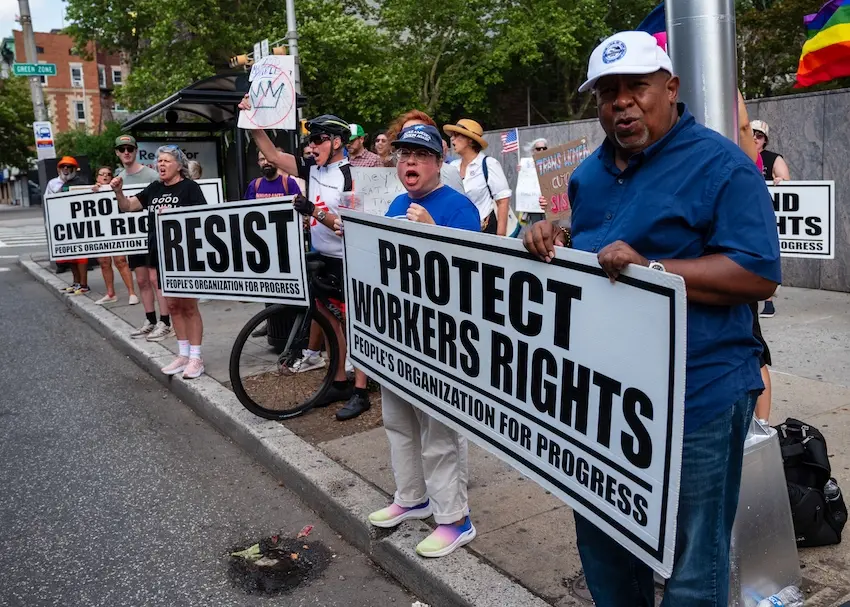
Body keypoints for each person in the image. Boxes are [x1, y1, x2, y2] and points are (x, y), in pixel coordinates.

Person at [523, 31, 780, 606]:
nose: (621, 103)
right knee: (605, 538)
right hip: (603, 398)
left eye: (636, 87)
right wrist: (551, 239)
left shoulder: (723, 166)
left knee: (695, 561)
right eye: (607, 92)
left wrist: (656, 269)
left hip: (701, 395)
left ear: (670, 88)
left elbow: (759, 273)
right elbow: (594, 248)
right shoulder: (588, 175)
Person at [356, 124, 480, 558]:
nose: (409, 162)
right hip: (398, 336)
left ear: (439, 162)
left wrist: (430, 232)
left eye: (420, 156)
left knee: (439, 432)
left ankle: (454, 518)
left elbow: (470, 279)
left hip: (438, 341)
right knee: (398, 422)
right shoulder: (395, 202)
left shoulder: (458, 208)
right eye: (403, 155)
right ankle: (412, 497)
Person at [237, 98, 370, 420]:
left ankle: (361, 391)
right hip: (320, 255)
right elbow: (271, 155)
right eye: (310, 140)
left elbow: (347, 227)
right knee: (328, 321)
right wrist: (251, 119)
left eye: (319, 139)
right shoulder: (312, 169)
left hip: (347, 259)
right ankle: (338, 381)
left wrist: (315, 212)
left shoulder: (352, 177)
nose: (312, 145)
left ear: (337, 142)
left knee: (355, 326)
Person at [111, 145, 207, 379]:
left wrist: (176, 214)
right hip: (158, 254)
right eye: (159, 161)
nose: (161, 165)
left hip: (183, 256)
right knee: (172, 305)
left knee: (188, 306)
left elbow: (203, 218)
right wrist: (119, 193)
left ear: (179, 166)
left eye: (166, 161)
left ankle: (196, 358)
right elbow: (128, 207)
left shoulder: (190, 188)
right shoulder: (154, 188)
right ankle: (182, 354)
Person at [111, 135, 171, 340]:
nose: (126, 152)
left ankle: (165, 321)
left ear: (136, 150)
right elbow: (122, 206)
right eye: (122, 149)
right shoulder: (118, 177)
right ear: (117, 153)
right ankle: (150, 319)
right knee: (142, 280)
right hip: (133, 237)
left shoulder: (153, 175)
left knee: (156, 280)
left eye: (129, 148)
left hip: (153, 236)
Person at [244, 148, 303, 338]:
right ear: (258, 163)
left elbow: (301, 208)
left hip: (287, 246)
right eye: (261, 159)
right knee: (269, 288)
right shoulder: (255, 185)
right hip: (264, 247)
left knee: (289, 289)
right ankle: (271, 324)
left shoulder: (289, 183)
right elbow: (245, 213)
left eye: (268, 158)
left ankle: (291, 327)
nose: (265, 162)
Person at [444, 119, 512, 235]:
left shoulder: (488, 164)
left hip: (484, 232)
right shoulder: (452, 167)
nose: (452, 139)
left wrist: (500, 239)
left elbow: (503, 201)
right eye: (452, 135)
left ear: (470, 140)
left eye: (456, 135)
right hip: (456, 232)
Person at [751, 119, 788, 319]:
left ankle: (768, 301)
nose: (755, 138)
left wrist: (780, 180)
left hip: (767, 214)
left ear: (765, 140)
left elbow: (789, 187)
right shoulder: (738, 154)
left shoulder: (773, 158)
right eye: (752, 133)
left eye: (759, 135)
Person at [91, 166, 139, 306]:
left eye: (108, 174)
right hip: (100, 231)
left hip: (116, 228)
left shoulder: (118, 189)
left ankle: (132, 293)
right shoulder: (92, 190)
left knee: (121, 261)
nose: (105, 177)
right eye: (102, 174)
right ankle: (110, 293)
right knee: (104, 262)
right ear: (97, 177)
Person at [386, 110, 465, 194]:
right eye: (406, 131)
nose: (412, 134)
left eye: (421, 154)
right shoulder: (397, 171)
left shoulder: (450, 172)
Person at [49, 157, 91, 293]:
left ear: (74, 169)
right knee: (71, 255)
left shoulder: (81, 182)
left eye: (68, 166)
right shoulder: (54, 184)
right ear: (59, 169)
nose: (66, 169)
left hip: (79, 223)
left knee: (81, 256)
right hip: (64, 224)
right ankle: (76, 283)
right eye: (63, 167)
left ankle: (84, 284)